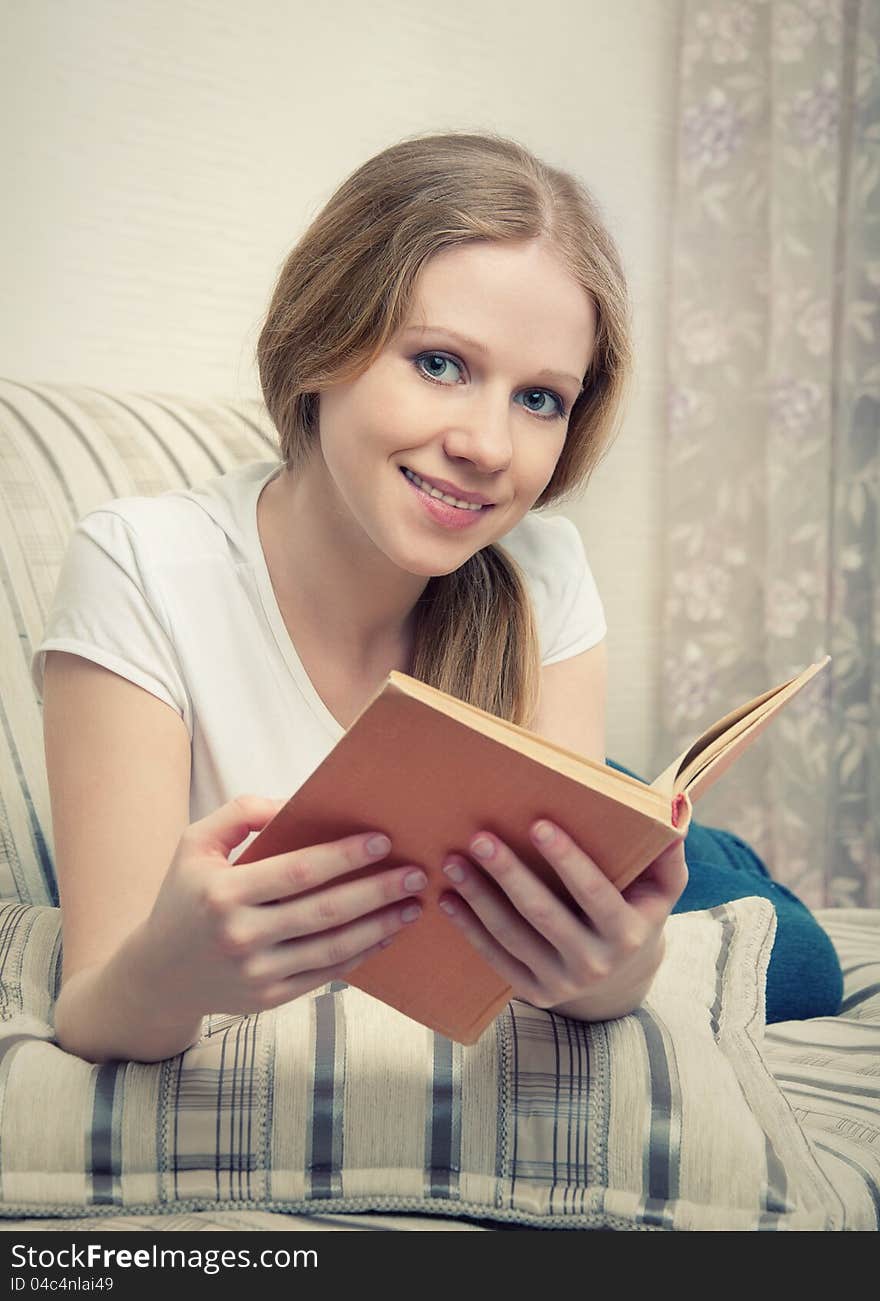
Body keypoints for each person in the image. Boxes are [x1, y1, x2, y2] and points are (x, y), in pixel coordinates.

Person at [30, 131, 828, 1067]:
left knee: (804, 968)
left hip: (533, 760)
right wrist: (173, 973)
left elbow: (580, 990)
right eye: (442, 363)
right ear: (324, 339)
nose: (489, 446)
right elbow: (93, 1007)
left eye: (540, 399)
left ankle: (697, 836)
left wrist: (610, 971)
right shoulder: (140, 566)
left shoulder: (541, 565)